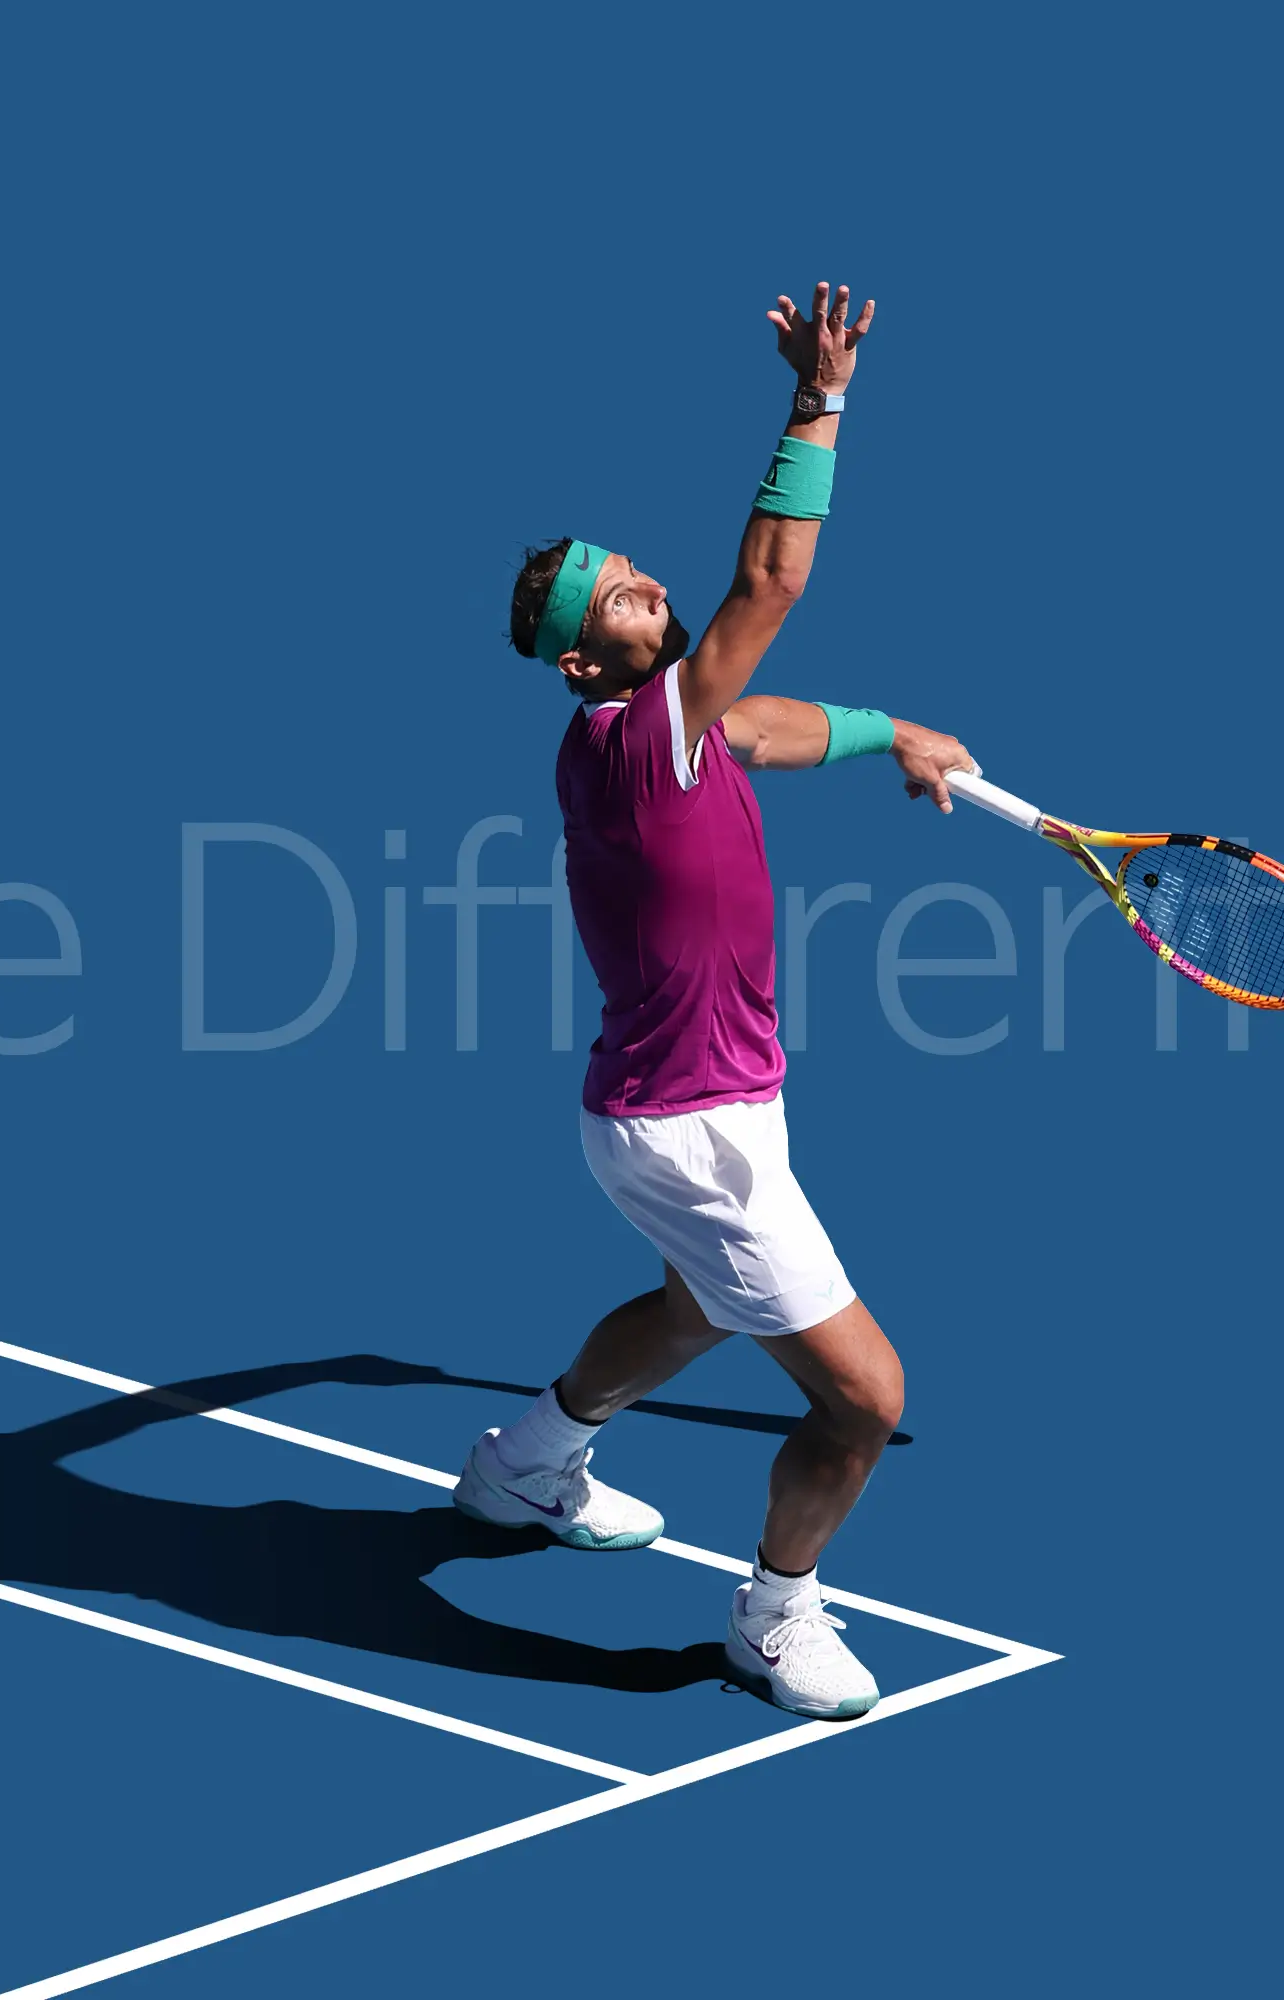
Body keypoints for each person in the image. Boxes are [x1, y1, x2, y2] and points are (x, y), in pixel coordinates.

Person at [454, 281, 971, 1720]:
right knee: (865, 1396)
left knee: (693, 1309)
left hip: (690, 1107)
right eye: (609, 597)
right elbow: (769, 589)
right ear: (579, 660)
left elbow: (764, 724)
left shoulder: (661, 730)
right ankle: (774, 1616)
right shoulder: (637, 737)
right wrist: (820, 400)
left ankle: (523, 1464)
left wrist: (897, 736)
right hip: (694, 1130)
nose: (640, 587)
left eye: (632, 570)